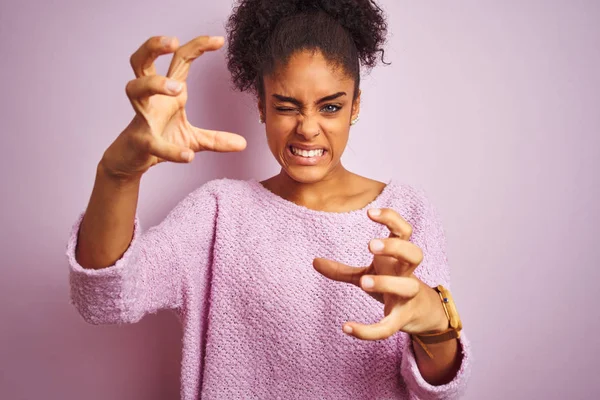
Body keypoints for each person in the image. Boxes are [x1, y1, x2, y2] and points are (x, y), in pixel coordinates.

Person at [66, 0, 472, 398]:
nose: (308, 128)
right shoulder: (219, 213)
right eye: (286, 106)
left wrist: (434, 324)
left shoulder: (406, 212)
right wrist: (117, 175)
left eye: (330, 107)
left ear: (355, 106)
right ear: (261, 105)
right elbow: (104, 299)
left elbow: (440, 388)